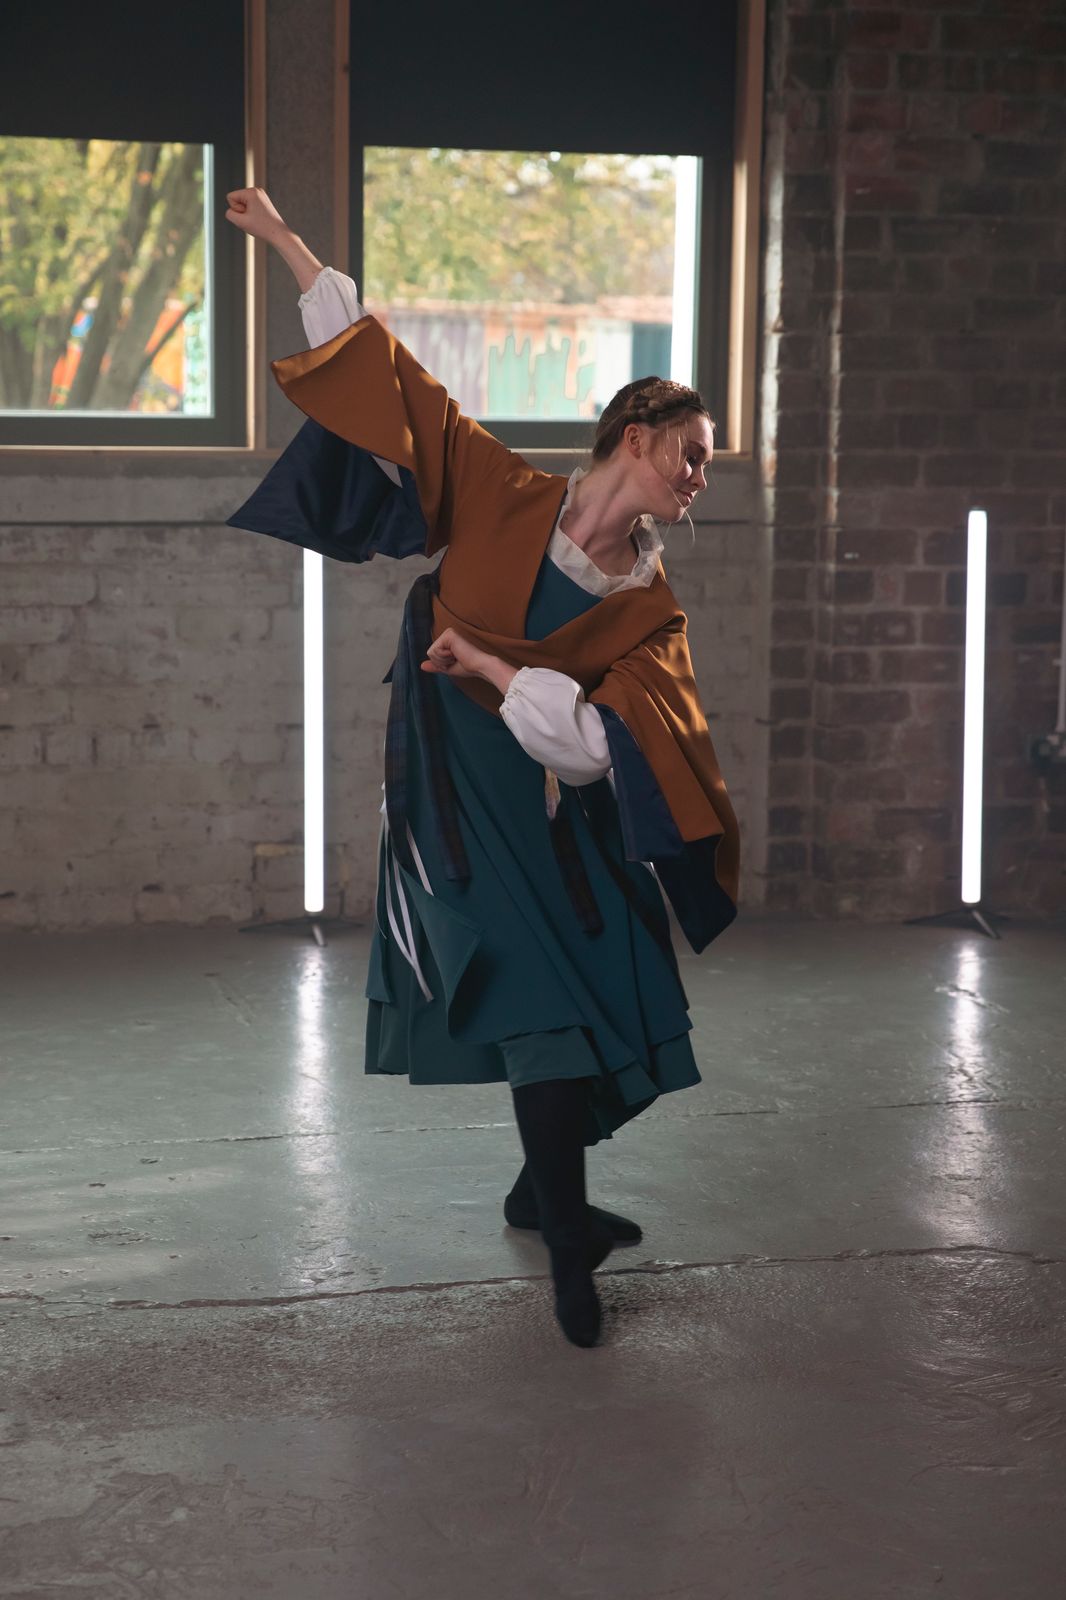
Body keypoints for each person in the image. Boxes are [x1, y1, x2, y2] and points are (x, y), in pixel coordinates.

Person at [224, 187, 739, 1349]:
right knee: (536, 999)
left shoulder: (646, 608)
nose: (699, 477)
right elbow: (385, 378)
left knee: (611, 986)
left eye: (706, 466)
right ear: (638, 435)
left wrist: (495, 667)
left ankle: (536, 1190)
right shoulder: (503, 490)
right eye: (693, 454)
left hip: (551, 803)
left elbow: (600, 748)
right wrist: (286, 241)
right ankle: (566, 1243)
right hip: (452, 794)